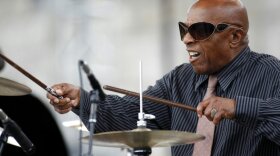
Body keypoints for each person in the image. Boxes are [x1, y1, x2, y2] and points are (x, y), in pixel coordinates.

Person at [47, 0, 280, 155]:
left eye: (199, 30)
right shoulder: (180, 78)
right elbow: (133, 115)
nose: (187, 39)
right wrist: (82, 100)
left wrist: (238, 107)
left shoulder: (271, 72)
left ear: (235, 37)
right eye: (184, 29)